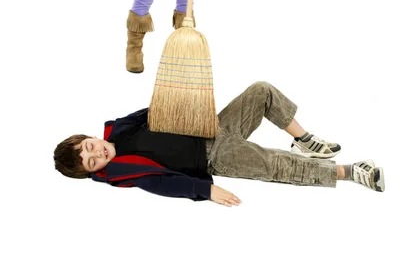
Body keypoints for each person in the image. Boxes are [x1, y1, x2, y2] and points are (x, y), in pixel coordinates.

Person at [54, 82, 385, 205]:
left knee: (261, 92)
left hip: (214, 127)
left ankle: (304, 139)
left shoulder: (119, 131)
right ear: (94, 173)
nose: (98, 153)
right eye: (93, 162)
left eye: (90, 147)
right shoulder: (121, 172)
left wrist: (185, 97)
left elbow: (154, 110)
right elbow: (160, 182)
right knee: (274, 165)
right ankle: (350, 171)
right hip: (216, 155)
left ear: (90, 137)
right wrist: (205, 191)